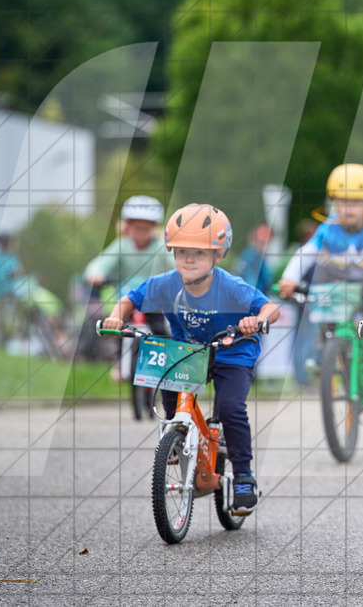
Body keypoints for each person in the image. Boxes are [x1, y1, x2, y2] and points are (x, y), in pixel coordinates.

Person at [101, 203, 280, 514]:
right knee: (169, 387)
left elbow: (269, 307)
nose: (189, 259)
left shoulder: (231, 286)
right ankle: (178, 435)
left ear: (217, 255)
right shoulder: (166, 283)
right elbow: (131, 298)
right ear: (172, 252)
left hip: (233, 350)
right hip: (190, 350)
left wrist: (257, 319)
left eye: (199, 253)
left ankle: (242, 476)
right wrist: (116, 317)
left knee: (230, 407)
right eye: (182, 251)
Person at [278, 163, 363, 428]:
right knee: (320, 306)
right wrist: (289, 278)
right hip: (340, 293)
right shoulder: (328, 228)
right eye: (341, 201)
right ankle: (325, 350)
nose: (347, 208)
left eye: (355, 202)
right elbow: (306, 253)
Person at [83, 196, 172, 378]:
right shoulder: (121, 245)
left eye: (146, 228)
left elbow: (174, 264)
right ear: (128, 226)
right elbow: (101, 262)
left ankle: (166, 362)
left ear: (154, 228)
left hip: (154, 301)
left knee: (160, 329)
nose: (141, 233)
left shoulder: (160, 247)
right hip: (127, 298)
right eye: (137, 228)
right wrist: (95, 274)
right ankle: (119, 361)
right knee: (118, 325)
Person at [234, 224, 274, 294]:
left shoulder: (250, 254)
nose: (266, 245)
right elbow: (251, 282)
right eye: (263, 242)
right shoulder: (252, 256)